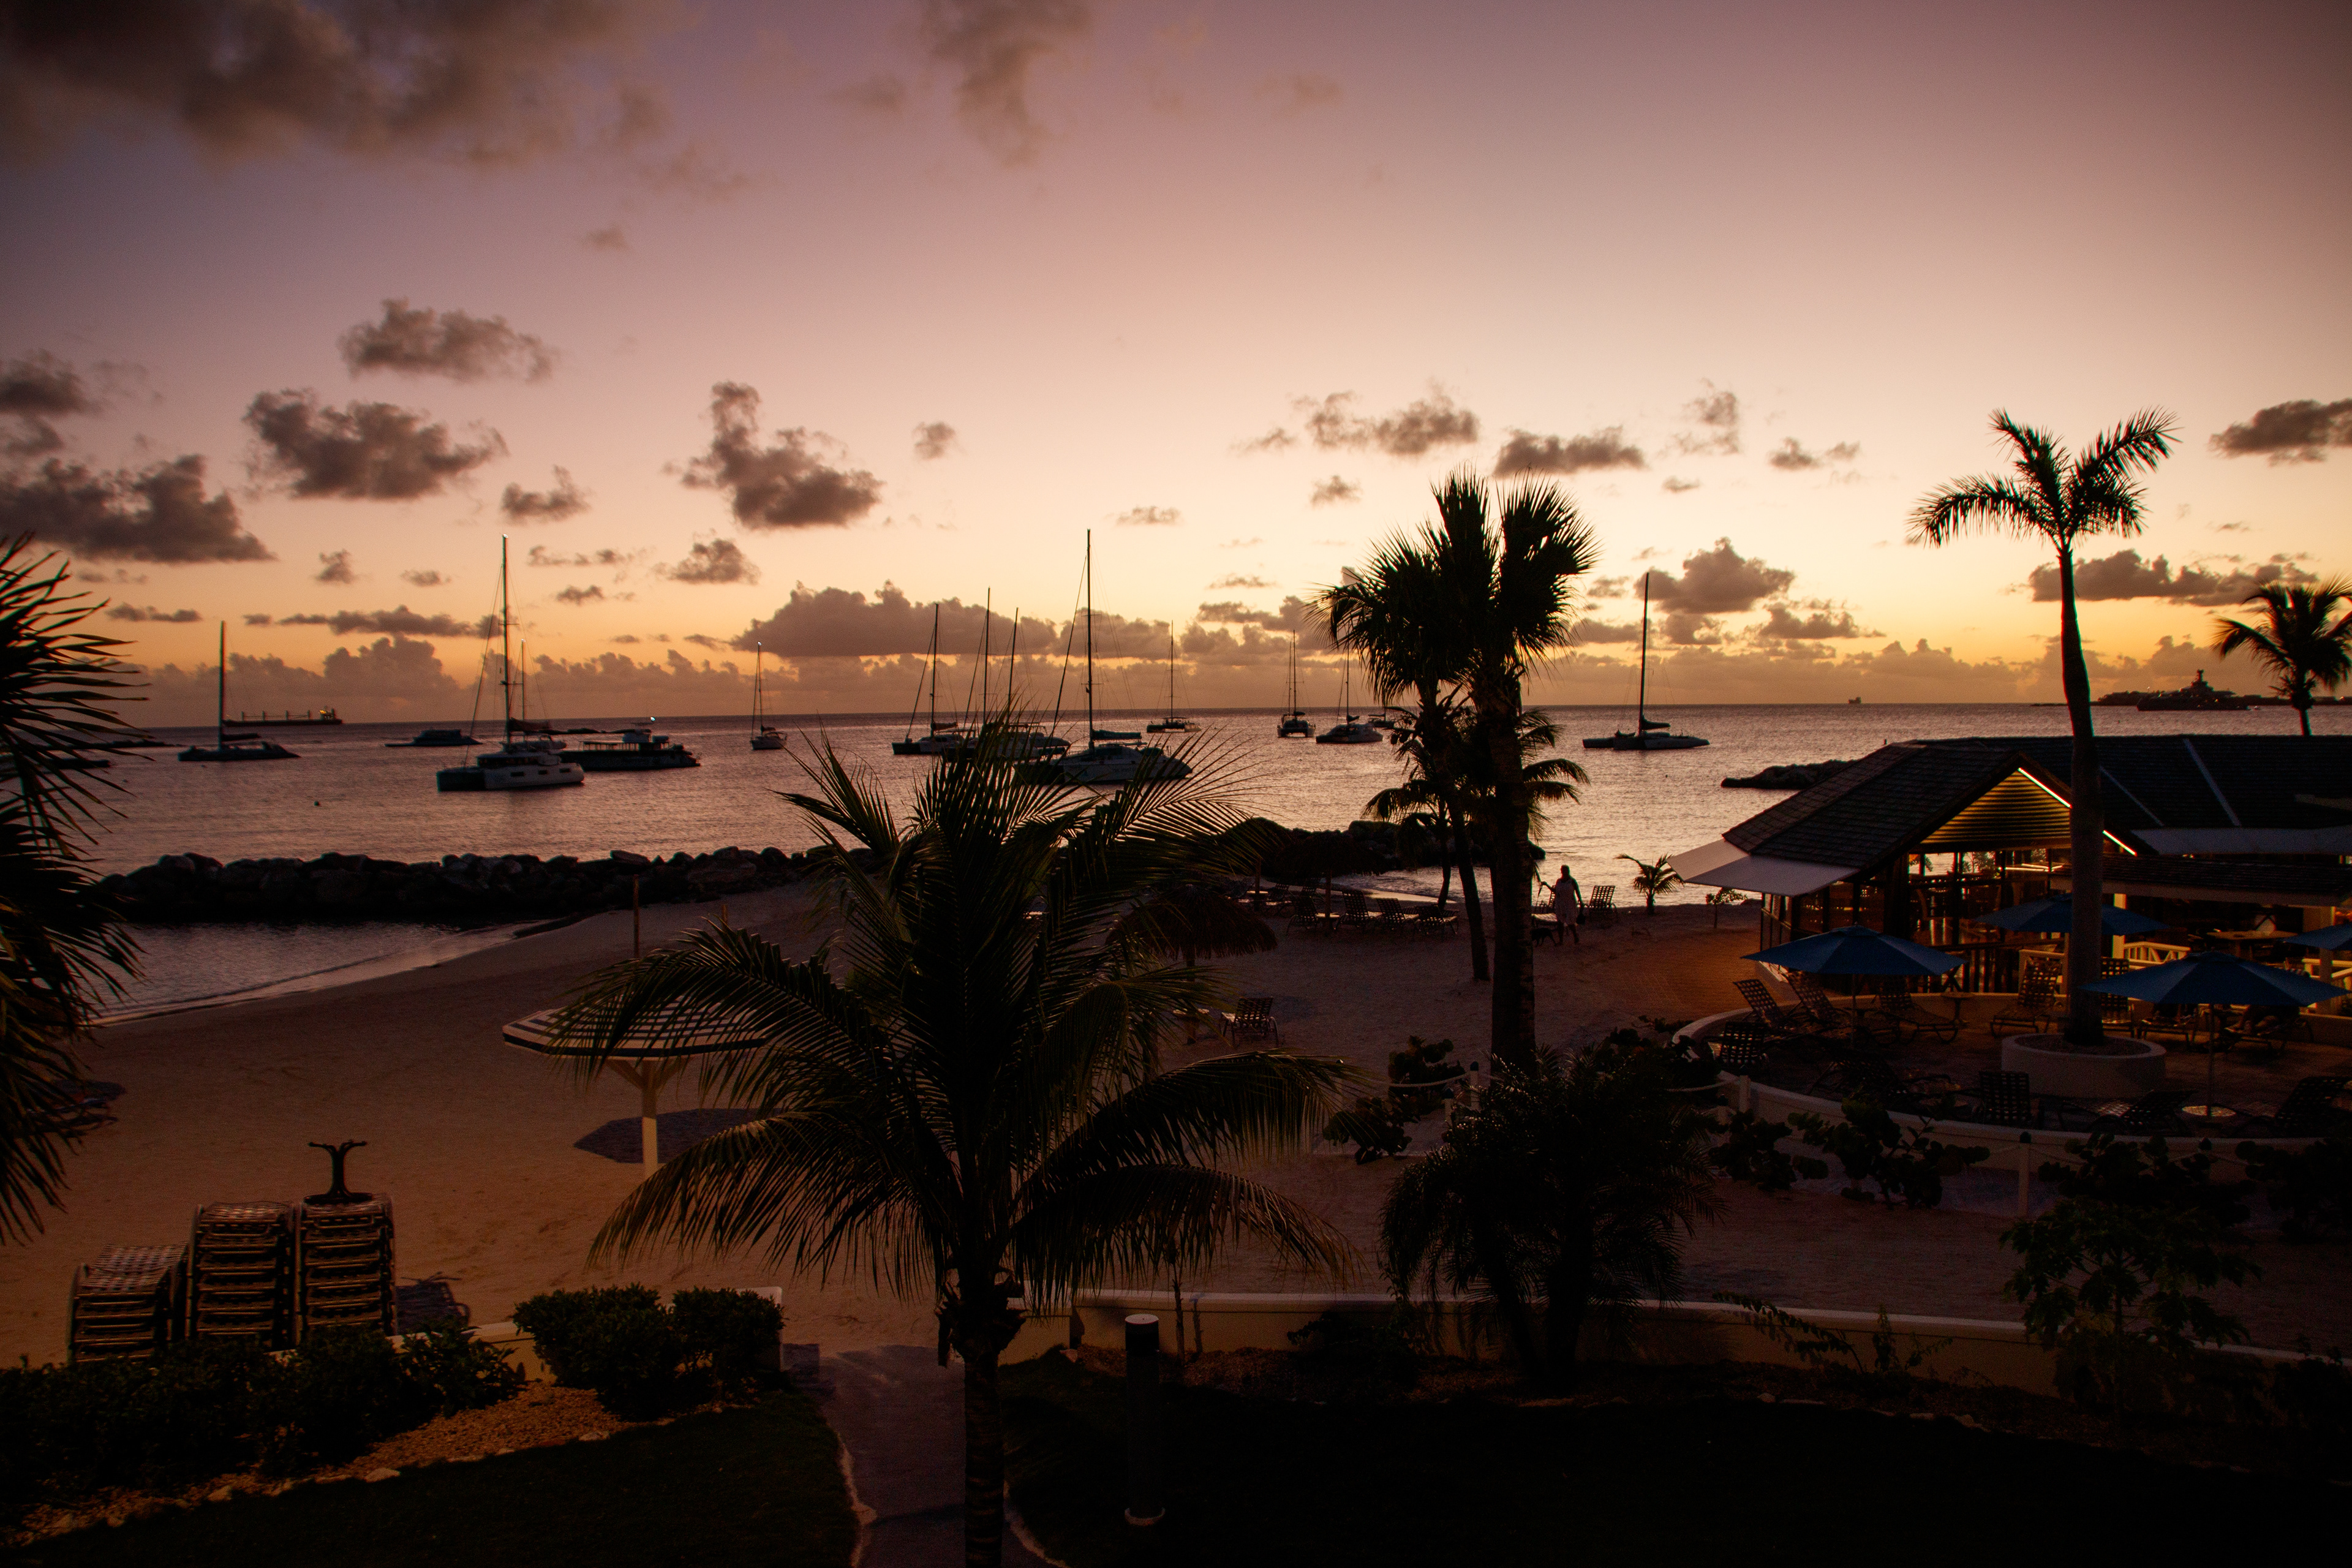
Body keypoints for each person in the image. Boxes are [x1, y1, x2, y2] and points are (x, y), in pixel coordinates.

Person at [1550, 863, 1582, 947]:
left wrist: (1581, 901)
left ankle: (1575, 936)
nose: (1563, 872)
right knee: (1560, 922)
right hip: (1560, 903)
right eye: (1562, 870)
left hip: (1570, 903)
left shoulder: (1572, 881)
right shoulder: (1559, 881)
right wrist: (1547, 885)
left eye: (1565, 870)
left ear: (1568, 871)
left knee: (1570, 922)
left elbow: (1577, 891)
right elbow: (1556, 892)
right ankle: (1561, 941)